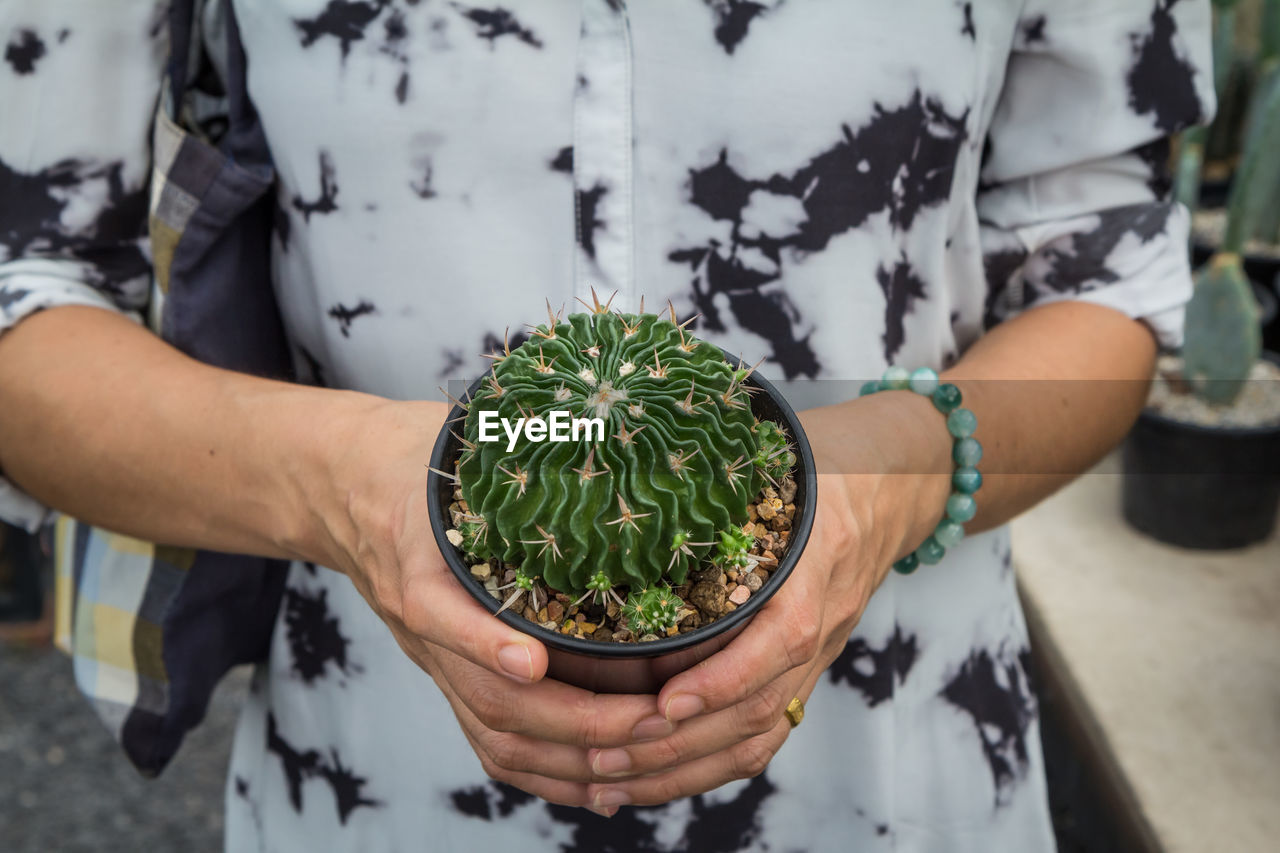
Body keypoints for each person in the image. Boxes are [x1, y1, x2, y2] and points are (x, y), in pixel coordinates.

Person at [0, 1, 1211, 850]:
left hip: (894, 758)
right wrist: (357, 487)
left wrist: (886, 479)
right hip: (383, 756)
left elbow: (1104, 275)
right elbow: (30, 292)